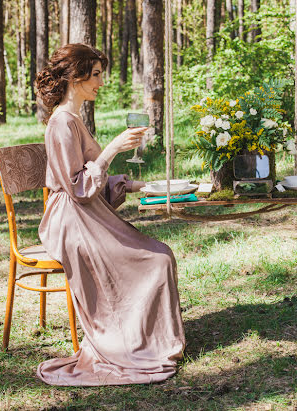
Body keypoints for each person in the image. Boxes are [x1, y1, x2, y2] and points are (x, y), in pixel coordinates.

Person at [35, 43, 185, 386]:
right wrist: (115, 147)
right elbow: (78, 187)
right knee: (156, 259)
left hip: (87, 213)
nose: (101, 82)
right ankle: (131, 344)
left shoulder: (73, 119)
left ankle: (150, 340)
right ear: (76, 77)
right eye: (97, 74)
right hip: (72, 221)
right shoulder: (61, 123)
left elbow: (91, 182)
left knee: (160, 255)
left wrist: (135, 186)